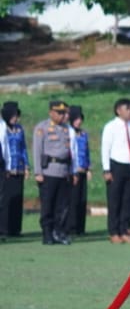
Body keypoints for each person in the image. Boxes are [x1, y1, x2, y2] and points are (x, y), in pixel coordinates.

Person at [100, 97, 130, 244]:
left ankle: (124, 228)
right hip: (116, 165)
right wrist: (106, 169)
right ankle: (113, 231)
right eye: (128, 109)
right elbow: (105, 148)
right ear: (119, 110)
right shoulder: (111, 127)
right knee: (115, 200)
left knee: (128, 201)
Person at [32, 100, 75, 246]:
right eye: (59, 113)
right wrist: (38, 172)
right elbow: (37, 151)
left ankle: (59, 231)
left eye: (64, 113)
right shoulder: (42, 128)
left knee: (62, 206)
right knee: (48, 205)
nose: (62, 116)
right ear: (51, 112)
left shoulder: (66, 129)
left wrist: (72, 171)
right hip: (48, 171)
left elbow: (70, 152)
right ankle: (47, 233)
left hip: (63, 171)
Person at [0, 101, 27, 240]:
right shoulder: (2, 129)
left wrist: (26, 166)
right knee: (6, 200)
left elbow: (23, 148)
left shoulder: (19, 129)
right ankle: (4, 228)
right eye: (13, 115)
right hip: (7, 169)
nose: (15, 118)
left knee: (18, 198)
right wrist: (7, 166)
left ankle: (16, 228)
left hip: (19, 168)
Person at [67, 106, 90, 237]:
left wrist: (88, 167)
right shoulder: (68, 132)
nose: (79, 121)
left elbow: (86, 152)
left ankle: (81, 227)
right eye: (76, 119)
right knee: (73, 199)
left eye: (80, 119)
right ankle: (72, 227)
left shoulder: (83, 134)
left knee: (82, 199)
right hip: (72, 171)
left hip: (83, 170)